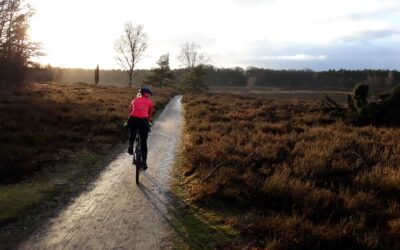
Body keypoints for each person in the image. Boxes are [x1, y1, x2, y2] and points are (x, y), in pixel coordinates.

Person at [128, 87, 153, 170]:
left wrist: (129, 121)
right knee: (143, 143)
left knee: (132, 133)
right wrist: (148, 123)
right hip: (143, 122)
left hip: (133, 120)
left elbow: (130, 112)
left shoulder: (134, 100)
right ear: (147, 95)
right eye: (149, 95)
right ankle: (144, 162)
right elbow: (149, 115)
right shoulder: (150, 102)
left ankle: (130, 146)